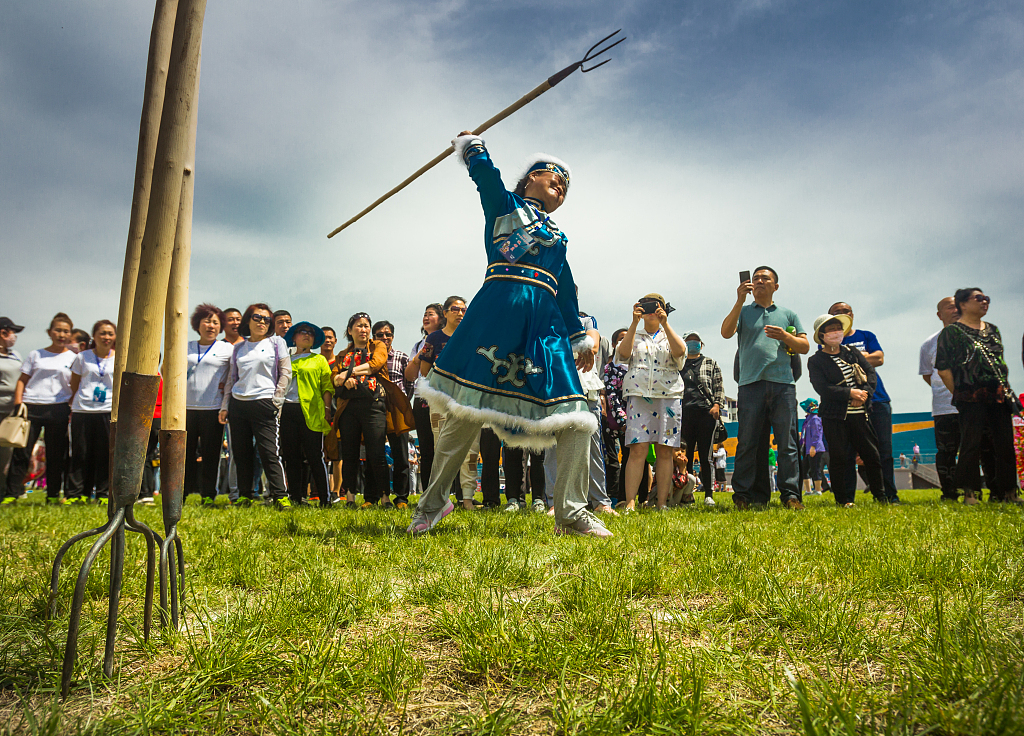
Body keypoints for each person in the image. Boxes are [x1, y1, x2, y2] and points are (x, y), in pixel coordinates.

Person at [408, 133, 610, 537]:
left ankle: (569, 513)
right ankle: (431, 505)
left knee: (577, 415)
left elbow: (566, 290)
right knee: (464, 413)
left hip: (544, 332)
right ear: (530, 178)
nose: (562, 188)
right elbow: (486, 179)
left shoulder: (559, 238)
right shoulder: (505, 206)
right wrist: (474, 149)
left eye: (566, 187)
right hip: (494, 320)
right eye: (555, 178)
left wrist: (577, 336)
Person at [720, 266, 808, 510]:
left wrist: (785, 337)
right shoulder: (744, 311)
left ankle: (791, 496)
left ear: (775, 286)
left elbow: (804, 346)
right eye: (756, 278)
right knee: (747, 442)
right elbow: (726, 332)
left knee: (787, 444)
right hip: (750, 385)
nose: (759, 281)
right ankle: (743, 496)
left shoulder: (788, 314)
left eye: (765, 278)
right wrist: (739, 300)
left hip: (783, 386)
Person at [936, 288, 1022, 504]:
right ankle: (970, 493)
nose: (984, 302)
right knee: (970, 444)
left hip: (998, 396)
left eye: (987, 299)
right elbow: (943, 369)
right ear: (963, 304)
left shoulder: (993, 330)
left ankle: (1009, 492)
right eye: (979, 298)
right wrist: (960, 392)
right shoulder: (952, 332)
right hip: (969, 396)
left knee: (1004, 444)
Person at [333, 312, 414, 508]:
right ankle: (350, 496)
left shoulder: (377, 346)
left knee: (377, 453)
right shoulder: (342, 355)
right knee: (350, 454)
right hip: (348, 407)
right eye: (359, 326)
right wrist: (345, 378)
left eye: (366, 326)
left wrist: (348, 372)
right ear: (350, 331)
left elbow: (376, 365)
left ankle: (385, 497)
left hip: (374, 404)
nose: (363, 329)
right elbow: (335, 379)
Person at [807, 314, 887, 507]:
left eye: (838, 328)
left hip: (861, 414)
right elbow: (822, 388)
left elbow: (870, 374)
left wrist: (864, 395)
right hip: (835, 416)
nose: (836, 332)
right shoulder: (816, 360)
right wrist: (849, 393)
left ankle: (881, 495)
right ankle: (844, 499)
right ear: (822, 335)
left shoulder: (852, 352)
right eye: (831, 329)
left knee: (872, 455)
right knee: (840, 457)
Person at [919, 296, 994, 501]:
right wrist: (954, 393)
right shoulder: (929, 344)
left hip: (979, 405)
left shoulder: (982, 335)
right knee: (947, 452)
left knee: (984, 448)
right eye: (950, 306)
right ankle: (950, 493)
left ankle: (992, 491)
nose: (956, 309)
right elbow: (929, 375)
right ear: (939, 314)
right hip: (945, 407)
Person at [617, 294, 687, 511]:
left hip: (668, 395)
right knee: (637, 449)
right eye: (644, 305)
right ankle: (630, 502)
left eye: (655, 306)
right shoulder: (634, 334)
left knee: (665, 450)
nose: (650, 310)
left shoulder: (670, 334)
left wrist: (665, 323)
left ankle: (662, 503)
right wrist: (634, 322)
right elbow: (623, 353)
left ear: (664, 309)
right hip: (639, 395)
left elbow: (680, 353)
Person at [219, 303, 291, 507]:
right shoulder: (239, 348)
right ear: (248, 320)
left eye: (267, 319)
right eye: (257, 318)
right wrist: (226, 406)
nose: (262, 322)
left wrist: (277, 400)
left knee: (269, 452)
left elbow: (286, 373)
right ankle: (245, 495)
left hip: (264, 403)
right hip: (239, 405)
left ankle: (280, 495)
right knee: (241, 454)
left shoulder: (276, 343)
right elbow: (232, 379)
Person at [826, 302, 899, 503]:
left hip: (877, 399)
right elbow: (829, 365)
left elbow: (880, 358)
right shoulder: (827, 340)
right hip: (846, 404)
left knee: (883, 450)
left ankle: (888, 495)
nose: (841, 315)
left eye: (845, 312)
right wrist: (863, 360)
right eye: (835, 313)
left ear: (852, 315)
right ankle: (847, 498)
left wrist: (854, 357)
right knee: (846, 452)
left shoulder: (866, 335)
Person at [6, 313, 76, 504]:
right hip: (31, 407)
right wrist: (19, 403)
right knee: (22, 452)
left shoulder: (73, 357)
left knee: (56, 454)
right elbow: (22, 380)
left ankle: (52, 495)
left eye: (66, 331)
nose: (61, 334)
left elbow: (75, 383)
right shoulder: (36, 354)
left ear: (70, 334)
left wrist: (70, 405)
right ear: (49, 332)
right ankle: (11, 494)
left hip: (59, 408)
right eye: (58, 330)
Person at [418, 296, 478, 509]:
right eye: (455, 309)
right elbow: (424, 371)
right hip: (440, 398)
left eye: (463, 310)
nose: (460, 313)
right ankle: (440, 498)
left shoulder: (472, 337)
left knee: (471, 450)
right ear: (445, 313)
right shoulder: (433, 339)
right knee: (441, 448)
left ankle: (468, 498)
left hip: (467, 399)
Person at [185, 304, 234, 506]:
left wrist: (225, 405)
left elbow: (232, 378)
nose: (210, 325)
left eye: (215, 322)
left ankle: (208, 495)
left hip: (213, 409)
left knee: (211, 455)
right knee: (184, 455)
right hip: (185, 410)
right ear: (198, 324)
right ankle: (182, 493)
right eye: (206, 321)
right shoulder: (185, 346)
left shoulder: (227, 349)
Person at [281, 321, 334, 507]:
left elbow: (327, 387)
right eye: (302, 332)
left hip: (311, 411)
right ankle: (296, 497)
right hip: (287, 410)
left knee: (315, 456)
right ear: (293, 337)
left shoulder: (319, 360)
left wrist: (327, 410)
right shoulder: (284, 359)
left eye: (310, 333)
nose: (306, 335)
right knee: (291, 456)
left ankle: (325, 499)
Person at [66, 320, 117, 503]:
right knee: (80, 453)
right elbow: (74, 383)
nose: (106, 337)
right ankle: (75, 494)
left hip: (107, 411)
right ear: (94, 336)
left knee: (105, 454)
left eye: (110, 333)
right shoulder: (82, 357)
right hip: (83, 410)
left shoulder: (119, 357)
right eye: (102, 333)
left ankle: (103, 493)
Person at [679, 331, 726, 507]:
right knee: (686, 455)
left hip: (706, 413)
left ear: (701, 344)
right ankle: (687, 493)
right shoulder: (679, 363)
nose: (693, 343)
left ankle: (708, 494)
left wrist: (717, 405)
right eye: (689, 341)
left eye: (696, 341)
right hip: (684, 414)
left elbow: (719, 386)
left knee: (706, 455)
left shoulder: (710, 363)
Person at [373, 320, 414, 508]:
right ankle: (376, 495)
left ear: (393, 336)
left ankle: (402, 497)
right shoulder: (369, 358)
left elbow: (409, 384)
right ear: (374, 337)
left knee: (401, 455)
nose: (384, 338)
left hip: (397, 408)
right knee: (376, 454)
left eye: (387, 334)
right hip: (375, 408)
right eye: (380, 334)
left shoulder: (401, 357)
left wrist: (402, 402)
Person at [405, 303, 445, 492]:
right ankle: (428, 491)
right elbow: (410, 375)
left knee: (444, 447)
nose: (426, 317)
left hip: (444, 398)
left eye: (431, 314)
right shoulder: (418, 345)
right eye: (424, 314)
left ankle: (452, 492)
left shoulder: (450, 339)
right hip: (422, 398)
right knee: (427, 448)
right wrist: (420, 355)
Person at [0, 317, 25, 502]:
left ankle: (3, 492)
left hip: (10, 412)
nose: (14, 336)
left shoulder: (16, 355)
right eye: (12, 332)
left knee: (6, 454)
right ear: (3, 332)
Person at [799, 398, 825, 496]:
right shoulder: (808, 420)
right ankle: (808, 490)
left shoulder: (815, 419)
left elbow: (817, 434)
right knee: (804, 469)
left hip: (815, 448)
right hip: (807, 449)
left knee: (815, 469)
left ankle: (818, 490)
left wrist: (813, 446)